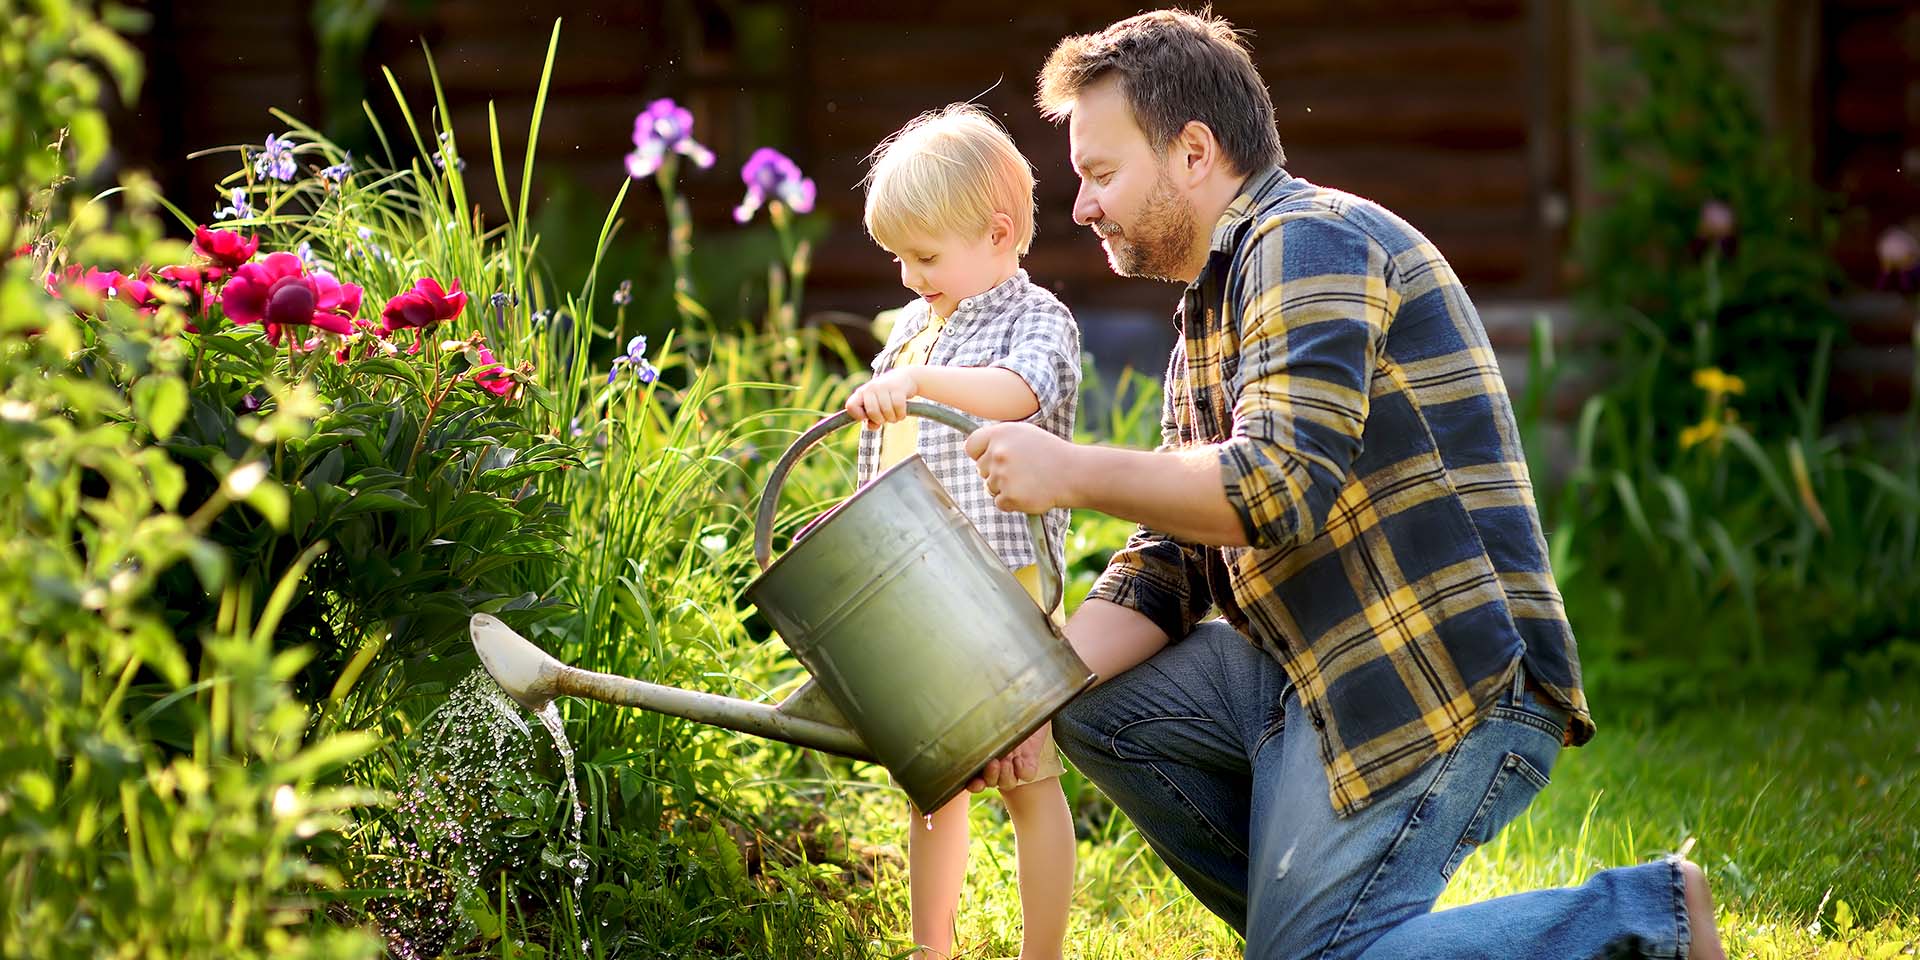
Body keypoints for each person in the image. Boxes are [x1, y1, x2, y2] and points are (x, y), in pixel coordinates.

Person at [960, 11, 1728, 959]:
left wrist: (1071, 473)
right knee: (1089, 702)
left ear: (1194, 151)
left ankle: (1641, 919)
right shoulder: (1208, 311)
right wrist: (1018, 696)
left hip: (1432, 675)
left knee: (1316, 958)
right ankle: (1339, 934)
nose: (1081, 206)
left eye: (1101, 173)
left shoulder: (1311, 241)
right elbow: (1173, 564)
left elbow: (1277, 486)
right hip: (1303, 671)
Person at [843, 102, 1084, 960]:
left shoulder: (1038, 320)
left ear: (998, 230)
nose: (910, 277)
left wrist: (920, 382)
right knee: (933, 785)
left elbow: (1020, 392)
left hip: (1002, 596)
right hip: (918, 594)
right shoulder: (913, 330)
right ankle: (931, 948)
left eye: (926, 256)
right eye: (900, 258)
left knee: (1027, 780)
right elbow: (880, 456)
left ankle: (1041, 952)